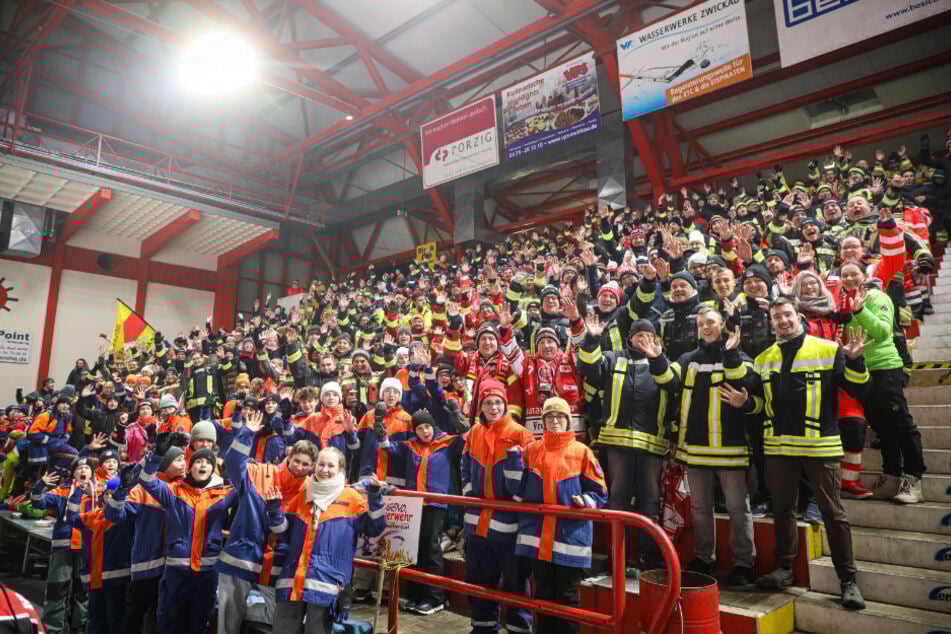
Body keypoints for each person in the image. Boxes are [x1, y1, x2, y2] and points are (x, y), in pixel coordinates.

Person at [744, 297, 869, 610]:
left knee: (833, 513)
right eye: (777, 317)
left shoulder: (827, 349)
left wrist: (855, 361)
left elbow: (857, 389)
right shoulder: (762, 358)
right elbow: (760, 405)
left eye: (787, 315)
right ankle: (784, 569)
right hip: (778, 448)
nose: (783, 321)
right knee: (783, 510)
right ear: (771, 322)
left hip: (819, 447)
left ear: (798, 316)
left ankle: (848, 580)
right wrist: (744, 404)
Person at [640, 307, 757, 585]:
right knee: (701, 508)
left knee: (738, 508)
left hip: (730, 448)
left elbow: (744, 380)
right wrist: (657, 360)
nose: (705, 327)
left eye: (711, 322)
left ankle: (744, 564)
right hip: (696, 449)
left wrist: (730, 352)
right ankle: (705, 559)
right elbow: (669, 382)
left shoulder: (739, 356)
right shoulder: (687, 359)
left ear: (723, 326)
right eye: (701, 323)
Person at [504, 397, 607, 634]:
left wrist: (586, 501)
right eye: (549, 417)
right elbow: (517, 492)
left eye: (560, 417)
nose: (554, 421)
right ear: (543, 422)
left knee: (568, 598)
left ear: (568, 420)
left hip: (570, 540)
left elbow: (600, 491)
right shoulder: (531, 450)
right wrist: (513, 462)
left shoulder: (582, 451)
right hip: (538, 541)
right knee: (543, 596)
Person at [578, 316, 668, 569]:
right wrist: (592, 339)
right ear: (630, 338)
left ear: (656, 340)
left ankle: (650, 556)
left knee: (650, 501)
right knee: (618, 500)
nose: (644, 340)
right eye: (639, 335)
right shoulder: (612, 357)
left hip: (651, 446)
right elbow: (588, 367)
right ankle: (618, 556)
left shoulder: (663, 364)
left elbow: (673, 390)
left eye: (649, 336)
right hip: (617, 445)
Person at [217, 410, 319, 634]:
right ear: (289, 457)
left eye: (305, 464)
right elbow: (233, 465)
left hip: (276, 565)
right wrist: (246, 434)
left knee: (281, 617)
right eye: (296, 461)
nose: (299, 467)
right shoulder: (260, 471)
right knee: (227, 622)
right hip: (240, 556)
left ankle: (237, 610)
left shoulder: (310, 491)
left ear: (312, 466)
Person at [839, 260, 926, 503]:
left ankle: (914, 478)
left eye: (853, 274)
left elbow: (882, 332)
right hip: (862, 372)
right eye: (844, 275)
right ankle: (891, 474)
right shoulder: (844, 304)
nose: (849, 279)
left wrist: (860, 311)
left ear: (863, 276)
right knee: (882, 427)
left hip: (885, 369)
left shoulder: (877, 298)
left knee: (901, 424)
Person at [272, 448, 386, 634]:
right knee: (282, 629)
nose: (325, 469)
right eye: (321, 464)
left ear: (341, 469)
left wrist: (374, 496)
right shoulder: (303, 493)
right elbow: (285, 534)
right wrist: (274, 511)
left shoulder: (351, 498)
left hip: (328, 582)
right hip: (293, 579)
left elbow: (374, 528)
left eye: (330, 465)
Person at [138, 436, 238, 633]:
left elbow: (246, 486)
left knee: (198, 623)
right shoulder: (174, 491)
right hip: (177, 571)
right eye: (198, 461)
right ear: (190, 467)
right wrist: (157, 455)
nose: (203, 465)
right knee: (169, 620)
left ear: (212, 469)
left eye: (208, 462)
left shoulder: (225, 494)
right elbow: (146, 480)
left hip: (207, 574)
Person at [375, 408, 468, 615]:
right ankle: (417, 596)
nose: (424, 431)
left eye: (427, 426)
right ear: (414, 430)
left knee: (431, 549)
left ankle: (436, 598)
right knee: (413, 550)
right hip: (413, 503)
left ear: (433, 426)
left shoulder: (447, 442)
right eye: (419, 428)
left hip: (435, 504)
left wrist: (458, 417)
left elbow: (467, 440)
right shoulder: (410, 446)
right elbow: (386, 447)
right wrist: (380, 428)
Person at [461, 379, 535, 634]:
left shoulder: (520, 434)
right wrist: (470, 494)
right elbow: (464, 466)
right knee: (479, 581)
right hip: (477, 524)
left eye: (497, 403)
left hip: (509, 526)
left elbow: (529, 477)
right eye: (487, 403)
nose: (493, 407)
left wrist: (516, 501)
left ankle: (519, 630)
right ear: (480, 407)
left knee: (516, 582)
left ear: (505, 405)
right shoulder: (474, 433)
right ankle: (483, 628)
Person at [104, 432, 188, 634]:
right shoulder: (143, 490)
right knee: (135, 616)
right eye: (177, 459)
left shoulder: (186, 488)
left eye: (184, 458)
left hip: (176, 566)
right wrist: (122, 489)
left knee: (165, 618)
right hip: (147, 566)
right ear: (165, 463)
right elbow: (113, 514)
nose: (183, 464)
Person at [32, 446, 98, 634]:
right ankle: (52, 628)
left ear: (92, 473)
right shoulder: (62, 492)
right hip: (63, 548)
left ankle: (79, 627)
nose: (83, 470)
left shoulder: (98, 493)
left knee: (82, 591)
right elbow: (38, 502)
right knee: (56, 589)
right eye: (79, 468)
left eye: (87, 468)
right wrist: (41, 484)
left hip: (87, 548)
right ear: (73, 474)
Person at [67, 475, 133, 634]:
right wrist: (77, 494)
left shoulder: (127, 518)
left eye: (115, 493)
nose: (110, 497)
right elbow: (72, 518)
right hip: (94, 578)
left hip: (117, 580)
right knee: (95, 619)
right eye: (108, 493)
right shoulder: (93, 516)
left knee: (115, 620)